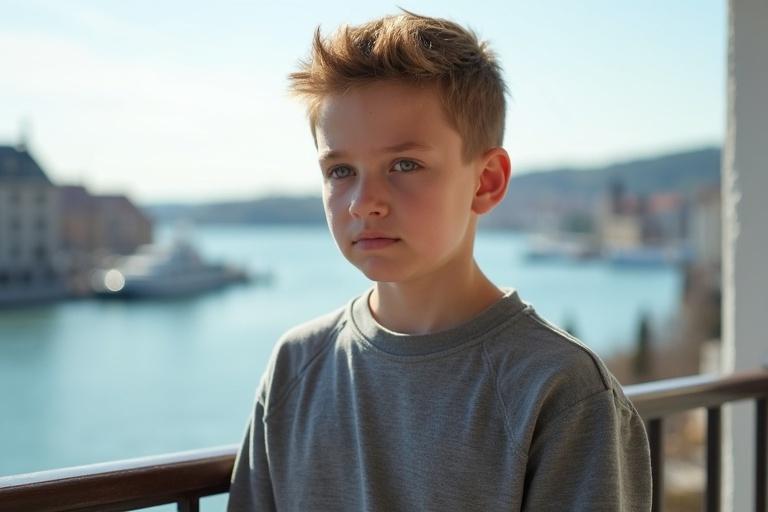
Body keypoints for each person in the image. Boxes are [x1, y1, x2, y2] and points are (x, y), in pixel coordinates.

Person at [228, 10, 651, 512]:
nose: (363, 202)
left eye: (405, 164)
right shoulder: (296, 364)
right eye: (340, 169)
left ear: (486, 180)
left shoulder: (560, 392)